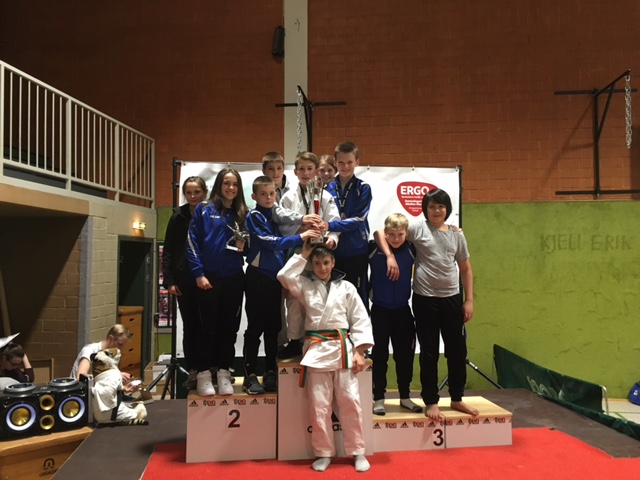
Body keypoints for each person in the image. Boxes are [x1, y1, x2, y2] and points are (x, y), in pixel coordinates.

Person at [375, 188, 478, 420]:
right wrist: (390, 256)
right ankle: (431, 400)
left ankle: (457, 397)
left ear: (447, 209)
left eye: (440, 206)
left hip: (452, 299)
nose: (436, 210)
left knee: (457, 350)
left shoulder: (457, 235)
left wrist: (469, 300)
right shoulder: (418, 229)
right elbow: (381, 232)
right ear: (425, 209)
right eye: (431, 206)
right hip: (424, 299)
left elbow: (466, 269)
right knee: (429, 352)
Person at [277, 242, 374, 473]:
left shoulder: (346, 287)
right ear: (311, 265)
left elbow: (360, 318)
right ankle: (323, 452)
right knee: (319, 405)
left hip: (343, 349)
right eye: (317, 263)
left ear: (333, 263)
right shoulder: (304, 285)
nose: (322, 268)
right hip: (316, 350)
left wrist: (360, 352)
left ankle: (357, 451)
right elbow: (284, 276)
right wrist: (304, 252)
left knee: (350, 401)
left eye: (326, 263)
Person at [242, 176, 321, 395]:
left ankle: (270, 370)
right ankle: (249, 374)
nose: (268, 197)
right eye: (263, 194)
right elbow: (270, 243)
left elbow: (286, 229)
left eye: (271, 193)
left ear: (276, 194)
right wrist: (301, 236)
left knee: (274, 327)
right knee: (255, 327)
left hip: (275, 278)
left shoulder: (275, 216)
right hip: (258, 277)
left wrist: (303, 226)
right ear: (254, 196)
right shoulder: (255, 216)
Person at [187, 168, 249, 397]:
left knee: (229, 328)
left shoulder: (243, 213)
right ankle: (204, 374)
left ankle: (223, 372)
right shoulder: (204, 209)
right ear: (219, 185)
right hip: (209, 278)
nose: (231, 188)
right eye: (226, 183)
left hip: (234, 277)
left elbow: (251, 247)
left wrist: (245, 247)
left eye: (235, 184)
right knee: (206, 328)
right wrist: (198, 273)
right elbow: (192, 241)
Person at [278, 151, 343, 358]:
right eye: (302, 169)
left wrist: (332, 238)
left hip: (320, 254)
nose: (306, 173)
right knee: (294, 300)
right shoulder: (288, 197)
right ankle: (294, 341)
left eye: (309, 169)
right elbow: (282, 226)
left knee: (318, 298)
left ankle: (317, 339)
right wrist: (301, 229)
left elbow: (334, 221)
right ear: (295, 172)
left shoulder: (325, 196)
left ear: (316, 171)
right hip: (297, 252)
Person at [369, 213, 421, 415]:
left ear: (406, 234)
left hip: (402, 311)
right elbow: (376, 233)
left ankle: (405, 396)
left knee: (404, 357)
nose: (396, 238)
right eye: (391, 234)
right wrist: (389, 255)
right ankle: (379, 398)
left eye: (400, 234)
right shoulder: (374, 249)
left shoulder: (412, 249)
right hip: (379, 311)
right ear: (386, 233)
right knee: (379, 357)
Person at [162, 176, 208, 389]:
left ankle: (210, 369)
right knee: (190, 327)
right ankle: (194, 370)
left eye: (196, 192)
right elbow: (169, 250)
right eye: (188, 193)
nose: (192, 196)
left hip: (207, 278)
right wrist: (170, 280)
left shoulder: (211, 214)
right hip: (184, 280)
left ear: (204, 192)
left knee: (209, 326)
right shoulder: (177, 217)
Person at [326, 141, 372, 308]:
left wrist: (329, 226)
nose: (345, 167)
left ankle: (361, 326)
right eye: (341, 162)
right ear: (335, 162)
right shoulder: (327, 188)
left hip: (356, 250)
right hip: (333, 250)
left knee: (358, 297)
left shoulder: (363, 188)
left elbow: (358, 220)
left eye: (349, 162)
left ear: (357, 162)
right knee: (335, 298)